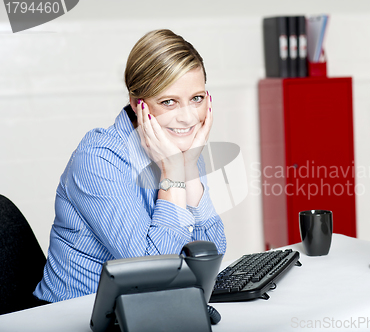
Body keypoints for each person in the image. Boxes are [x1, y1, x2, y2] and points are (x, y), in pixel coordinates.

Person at [34, 29, 226, 303]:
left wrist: (190, 169)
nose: (187, 118)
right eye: (169, 102)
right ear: (138, 105)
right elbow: (154, 273)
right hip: (73, 316)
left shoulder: (181, 148)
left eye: (196, 99)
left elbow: (211, 256)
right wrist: (173, 174)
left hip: (147, 309)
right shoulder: (98, 159)